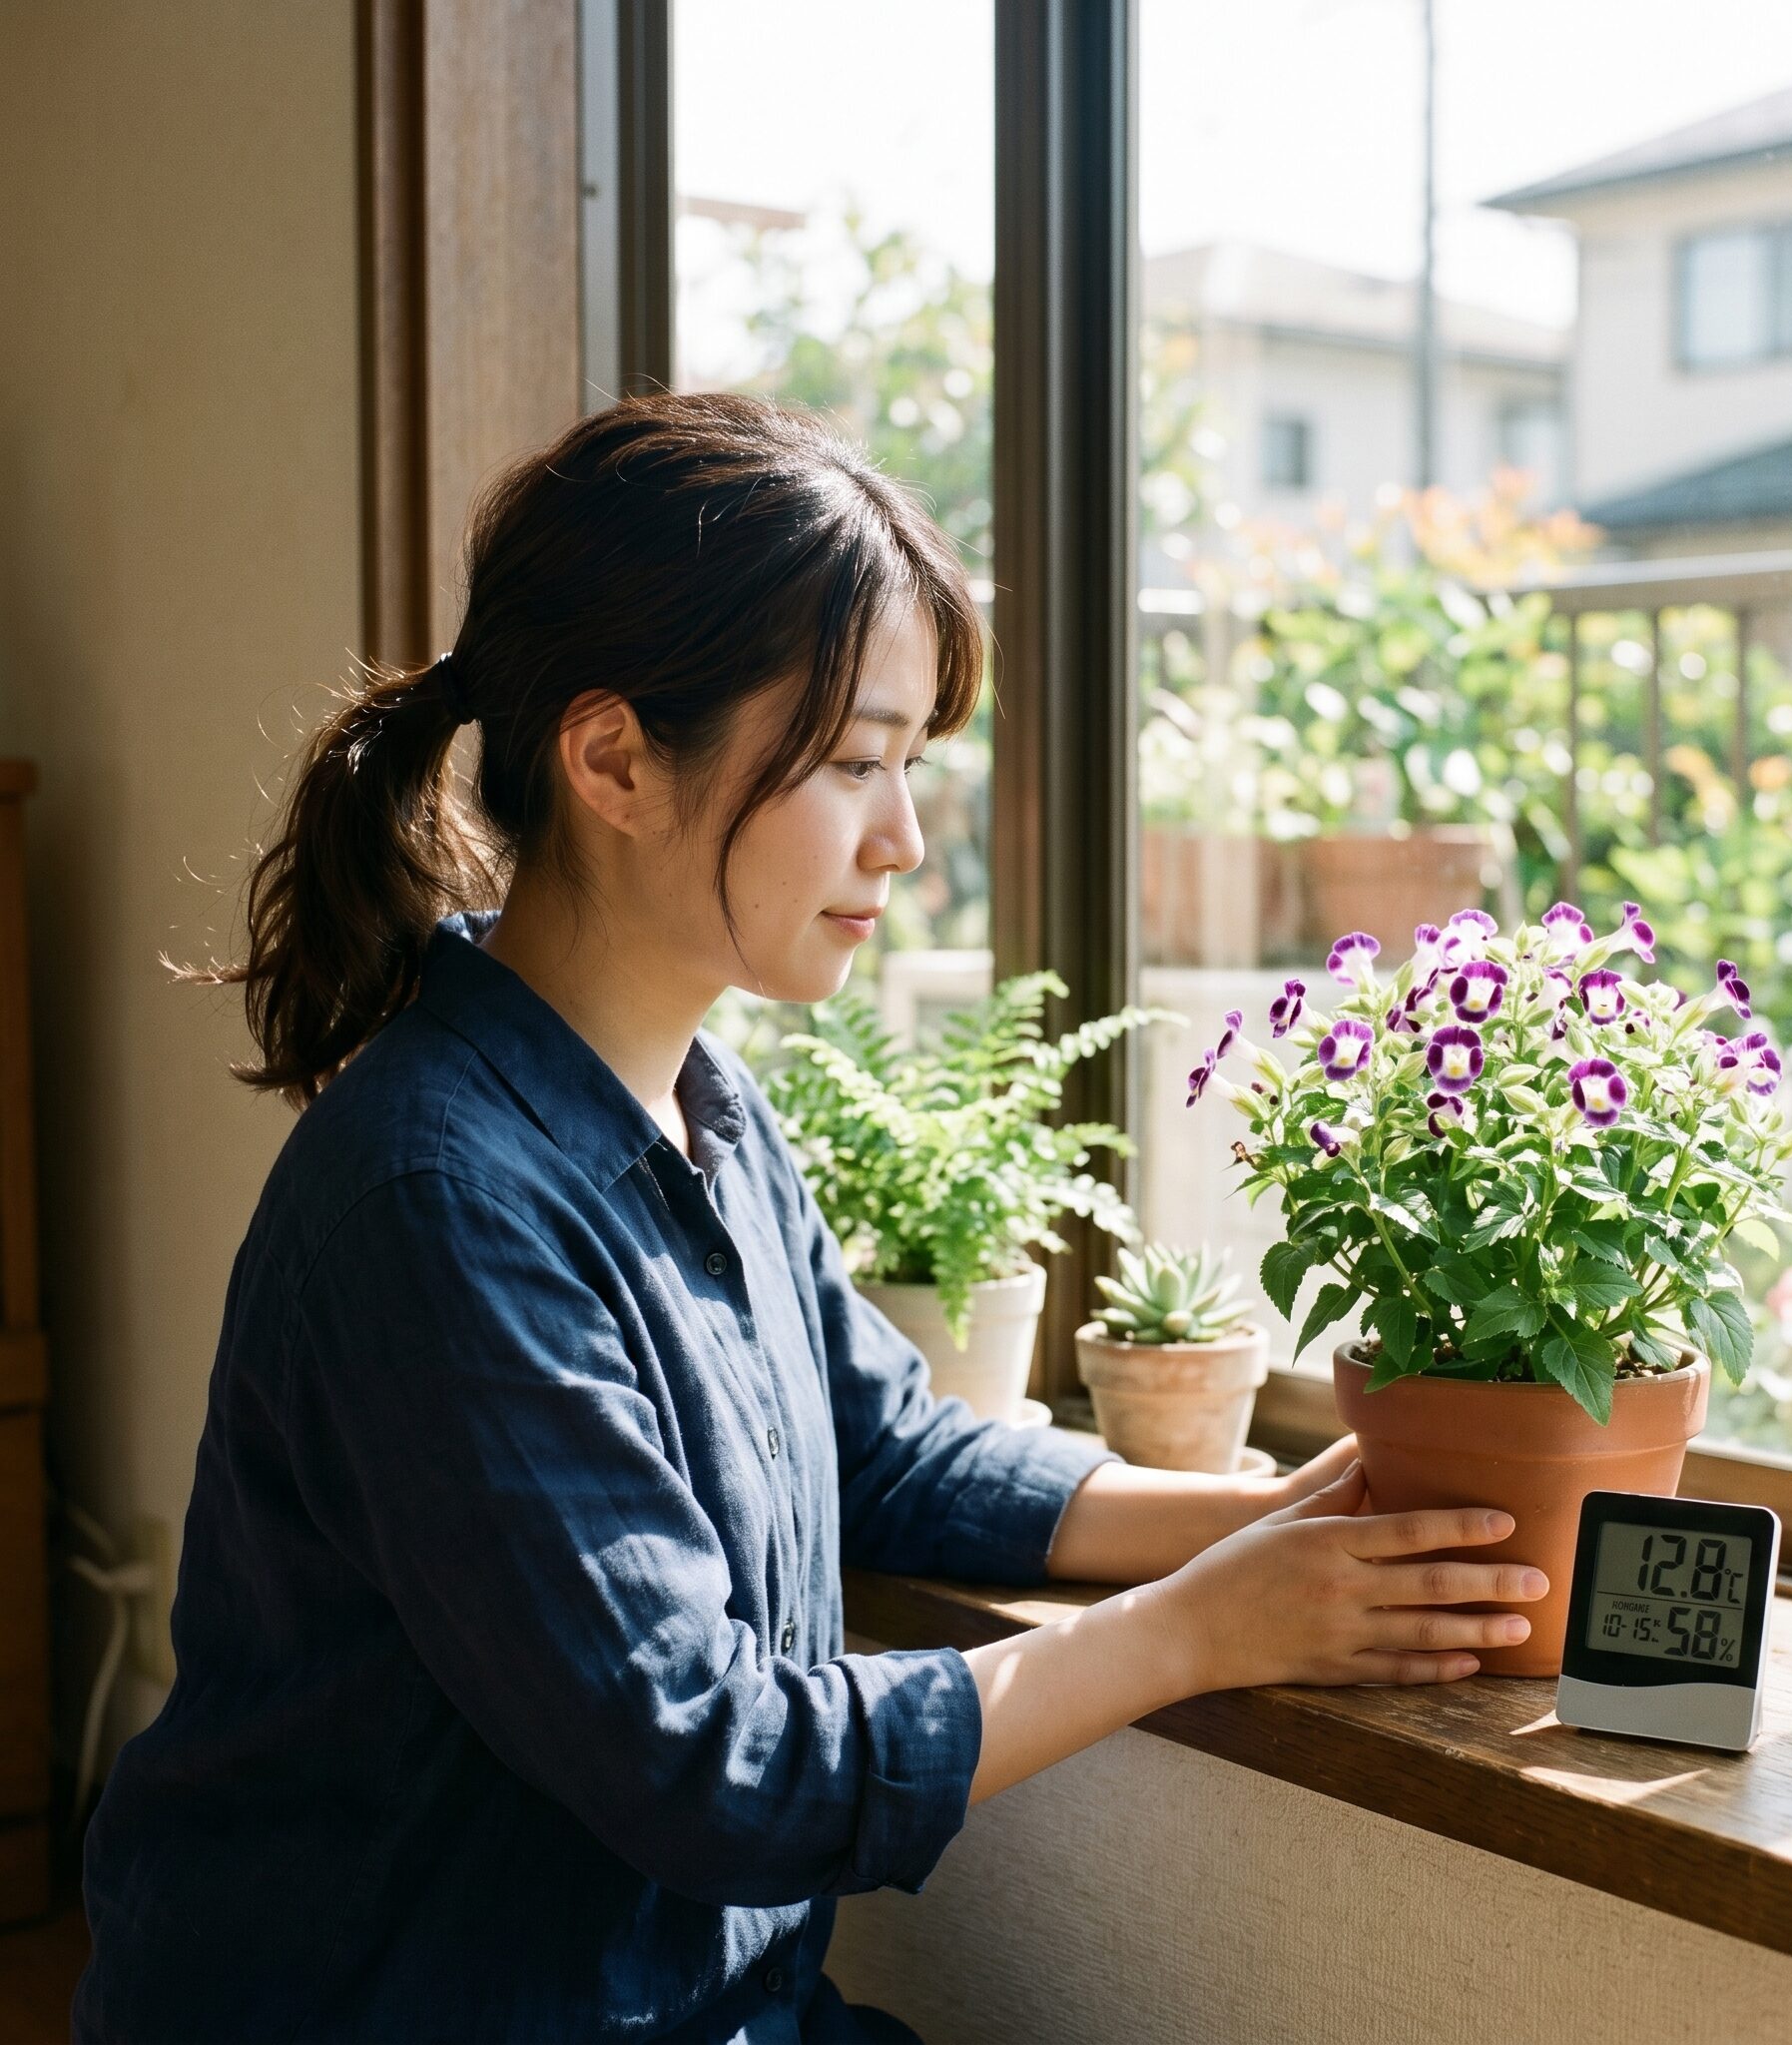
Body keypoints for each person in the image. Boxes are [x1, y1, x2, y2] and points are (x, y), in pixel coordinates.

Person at [71, 391, 1542, 2044]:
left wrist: (1255, 1521)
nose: (907, 839)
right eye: (853, 763)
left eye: (910, 765)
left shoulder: (703, 1107)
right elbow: (717, 1769)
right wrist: (1197, 1631)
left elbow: (887, 1452)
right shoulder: (436, 1204)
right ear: (615, 756)